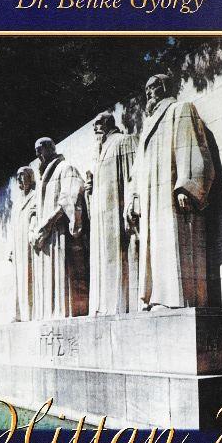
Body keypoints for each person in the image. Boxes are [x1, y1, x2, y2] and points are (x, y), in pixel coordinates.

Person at [126, 74, 215, 310]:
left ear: (165, 87)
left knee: (172, 240)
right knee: (154, 245)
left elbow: (191, 145)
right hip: (149, 198)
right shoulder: (147, 125)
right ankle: (155, 297)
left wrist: (186, 185)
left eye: (154, 86)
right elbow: (137, 167)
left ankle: (174, 300)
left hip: (171, 191)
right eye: (147, 88)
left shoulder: (180, 109)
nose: (149, 92)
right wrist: (134, 196)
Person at [87, 111, 139, 316]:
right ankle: (104, 306)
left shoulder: (124, 141)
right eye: (94, 125)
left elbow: (133, 176)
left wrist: (132, 204)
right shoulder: (98, 153)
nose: (95, 128)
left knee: (121, 258)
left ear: (109, 123)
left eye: (99, 123)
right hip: (101, 219)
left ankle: (123, 305)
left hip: (118, 214)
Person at [31, 137, 89, 319]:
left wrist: (48, 223)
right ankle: (50, 314)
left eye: (40, 150)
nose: (38, 155)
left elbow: (70, 199)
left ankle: (65, 312)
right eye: (36, 152)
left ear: (50, 148)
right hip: (47, 237)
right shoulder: (42, 179)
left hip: (61, 233)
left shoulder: (66, 168)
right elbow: (35, 209)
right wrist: (37, 229)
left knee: (64, 276)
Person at [9, 166, 36, 321]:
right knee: (18, 279)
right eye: (18, 176)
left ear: (30, 177)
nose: (19, 179)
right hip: (18, 245)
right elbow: (13, 226)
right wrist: (12, 249)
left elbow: (35, 216)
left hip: (29, 243)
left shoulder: (35, 196)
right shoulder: (16, 203)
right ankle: (18, 313)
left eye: (22, 175)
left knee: (29, 277)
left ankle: (30, 313)